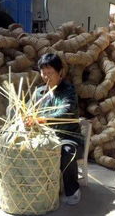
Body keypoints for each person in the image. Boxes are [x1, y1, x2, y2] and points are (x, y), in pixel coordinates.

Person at [29, 53, 83, 205]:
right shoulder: (39, 92)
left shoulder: (68, 91)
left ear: (60, 72)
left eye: (50, 73)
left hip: (69, 138)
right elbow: (29, 109)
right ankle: (37, 188)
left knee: (66, 151)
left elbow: (66, 111)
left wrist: (44, 119)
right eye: (43, 73)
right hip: (43, 137)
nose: (46, 77)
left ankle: (72, 191)